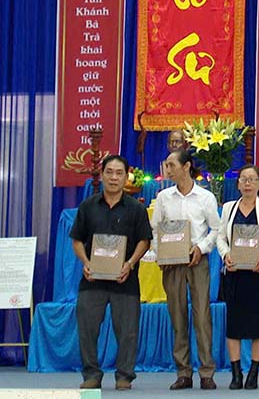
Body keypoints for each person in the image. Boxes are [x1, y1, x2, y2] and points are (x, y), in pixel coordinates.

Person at [71, 155, 152, 391]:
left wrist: (130, 263)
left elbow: (144, 241)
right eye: (110, 172)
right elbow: (76, 239)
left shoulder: (136, 208)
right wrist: (85, 262)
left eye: (119, 173)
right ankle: (91, 374)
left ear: (126, 176)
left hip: (124, 279)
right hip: (92, 279)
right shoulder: (87, 206)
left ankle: (124, 376)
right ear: (102, 174)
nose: (114, 177)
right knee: (87, 328)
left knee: (127, 331)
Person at [152, 150, 222, 390]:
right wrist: (162, 252)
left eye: (171, 165)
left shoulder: (205, 197)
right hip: (172, 263)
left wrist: (201, 248)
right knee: (177, 316)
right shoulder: (163, 197)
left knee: (202, 316)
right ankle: (183, 372)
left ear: (186, 166)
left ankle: (206, 372)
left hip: (197, 261)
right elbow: (155, 230)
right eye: (167, 165)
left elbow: (215, 229)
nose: (168, 169)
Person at [216, 165, 259, 390]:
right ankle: (236, 374)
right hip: (235, 275)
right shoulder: (228, 208)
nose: (247, 183)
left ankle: (253, 373)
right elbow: (220, 237)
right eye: (243, 179)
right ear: (238, 184)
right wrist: (226, 255)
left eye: (252, 180)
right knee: (234, 325)